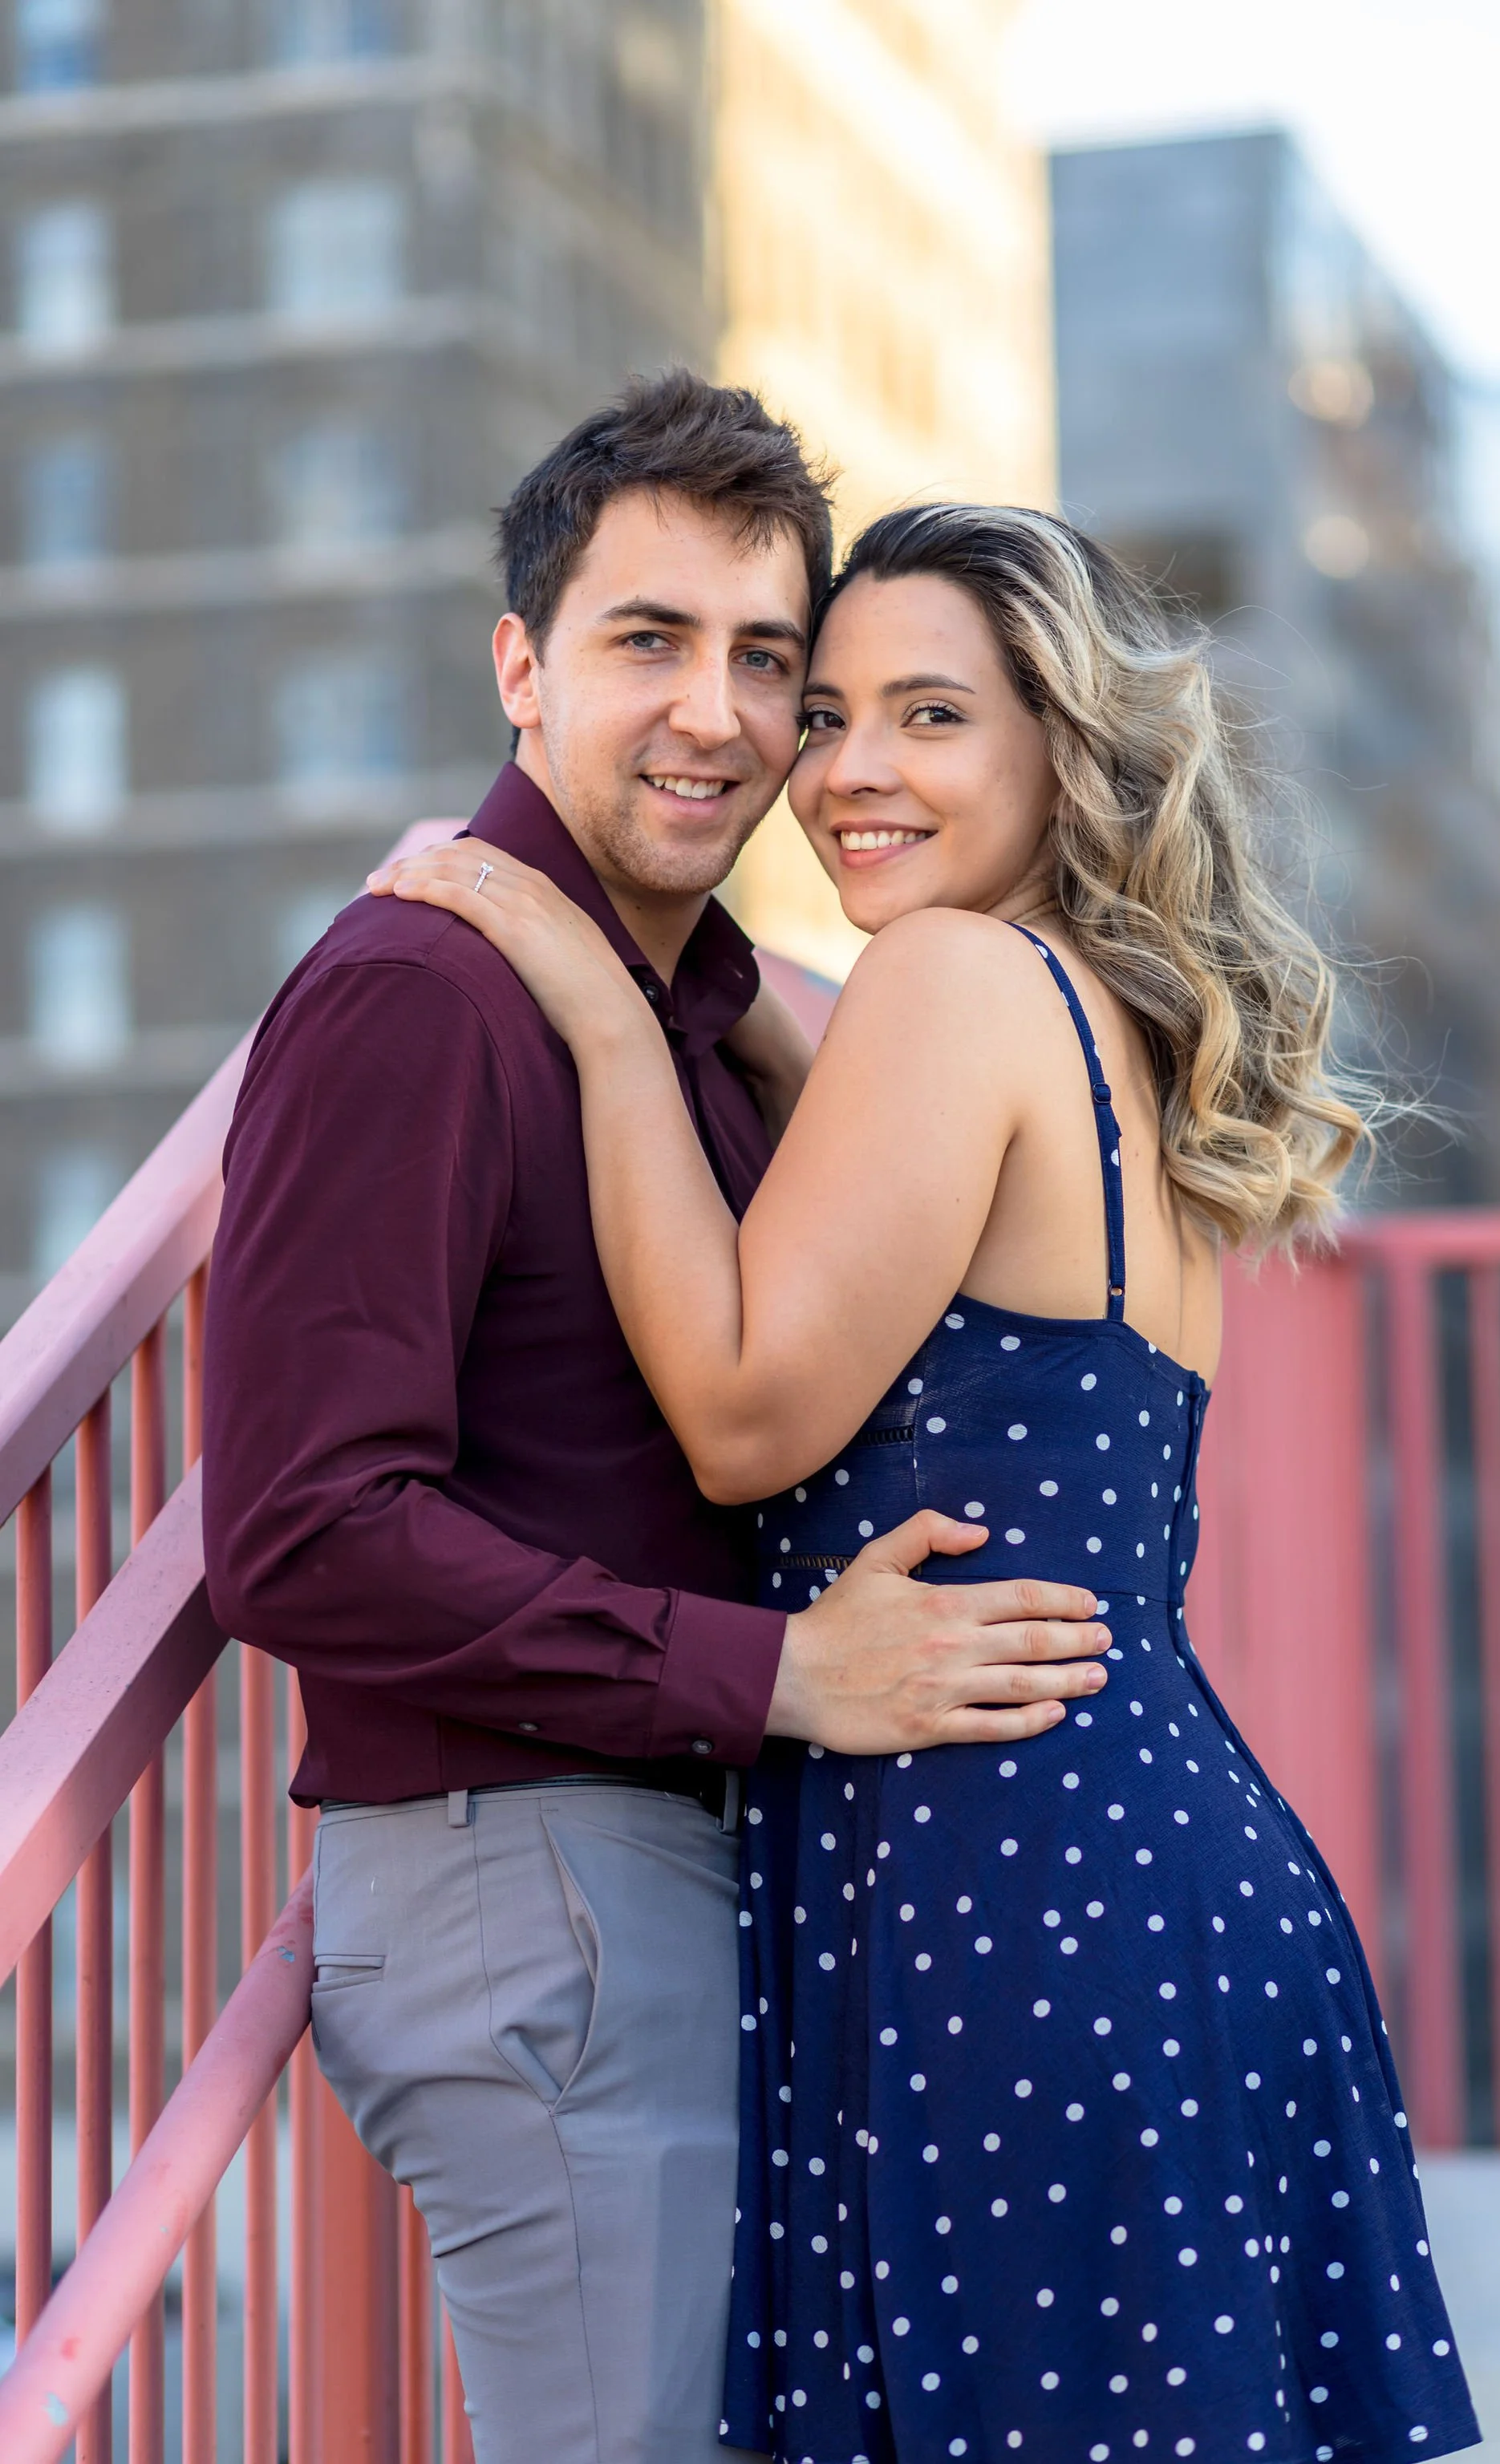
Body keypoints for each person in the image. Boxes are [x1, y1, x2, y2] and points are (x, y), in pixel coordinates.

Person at [375, 499, 1483, 2464]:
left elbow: (735, 1413)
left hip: (1013, 1892)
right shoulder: (1100, 1025)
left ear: (1060, 748)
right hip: (1154, 1871)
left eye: (931, 716)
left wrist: (602, 1009)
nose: (850, 768)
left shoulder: (951, 982)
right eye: (828, 713)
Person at [202, 383, 1112, 2464]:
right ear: (520, 666)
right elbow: (302, 1530)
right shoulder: (422, 992)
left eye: (766, 660)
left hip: (665, 1873)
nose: (717, 714)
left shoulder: (707, 1021)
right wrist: (782, 1670)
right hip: (534, 1892)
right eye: (647, 642)